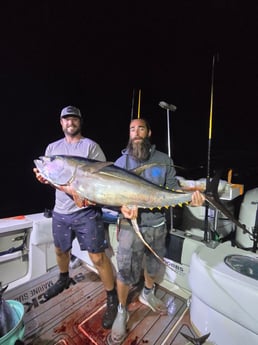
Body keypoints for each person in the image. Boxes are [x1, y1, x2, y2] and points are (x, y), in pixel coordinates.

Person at [109, 118, 205, 344]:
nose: (136, 133)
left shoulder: (163, 160)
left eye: (140, 128)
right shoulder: (120, 162)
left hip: (157, 226)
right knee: (124, 271)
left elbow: (171, 190)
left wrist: (191, 200)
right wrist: (119, 206)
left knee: (153, 267)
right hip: (128, 226)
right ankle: (122, 310)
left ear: (149, 132)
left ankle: (147, 293)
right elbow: (109, 193)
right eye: (132, 129)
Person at [33, 105, 118, 329]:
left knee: (98, 258)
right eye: (66, 119)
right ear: (61, 123)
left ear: (80, 122)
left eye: (74, 119)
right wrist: (44, 178)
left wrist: (90, 197)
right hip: (61, 211)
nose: (70, 122)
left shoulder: (90, 147)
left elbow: (103, 178)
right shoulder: (53, 147)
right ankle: (63, 278)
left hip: (86, 212)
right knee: (60, 250)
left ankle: (112, 297)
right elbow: (51, 175)